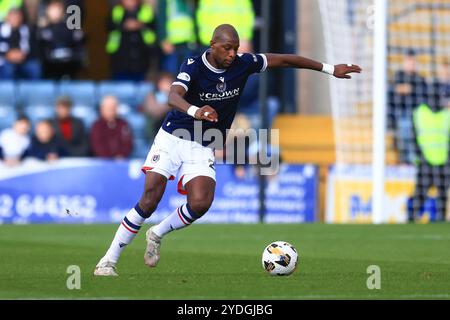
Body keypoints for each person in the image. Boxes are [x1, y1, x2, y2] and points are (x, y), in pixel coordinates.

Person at [94, 24, 361, 276]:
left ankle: (157, 233)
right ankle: (108, 260)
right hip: (174, 136)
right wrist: (196, 110)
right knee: (150, 199)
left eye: (235, 48)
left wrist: (329, 68)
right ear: (213, 46)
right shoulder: (194, 65)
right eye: (227, 49)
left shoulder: (243, 64)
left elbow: (285, 60)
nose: (233, 54)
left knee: (200, 203)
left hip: (203, 142)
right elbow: (172, 96)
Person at [410, 93, 450, 222]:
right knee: (420, 193)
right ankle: (412, 219)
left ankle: (440, 219)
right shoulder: (419, 113)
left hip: (443, 160)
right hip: (424, 159)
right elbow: (413, 136)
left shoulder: (446, 114)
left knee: (441, 193)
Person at [388, 49, 428, 164]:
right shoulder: (398, 75)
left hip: (418, 115)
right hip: (402, 113)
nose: (412, 64)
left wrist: (408, 89)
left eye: (413, 62)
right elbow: (395, 90)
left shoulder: (420, 78)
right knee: (405, 127)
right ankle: (406, 161)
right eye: (409, 61)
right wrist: (409, 89)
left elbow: (422, 95)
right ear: (405, 62)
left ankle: (413, 161)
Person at [106, 0, 158, 81]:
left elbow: (154, 26)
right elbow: (109, 25)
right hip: (120, 57)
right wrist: (124, 25)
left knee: (140, 85)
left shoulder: (146, 10)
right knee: (120, 84)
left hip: (142, 56)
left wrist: (140, 24)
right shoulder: (116, 11)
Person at [37, 0, 86, 79]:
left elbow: (79, 49)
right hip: (50, 68)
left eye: (58, 9)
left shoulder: (71, 29)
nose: (55, 12)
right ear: (47, 11)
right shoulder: (43, 31)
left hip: (69, 67)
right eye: (52, 9)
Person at [0, 8, 41, 79]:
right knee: (8, 68)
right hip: (4, 61)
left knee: (35, 66)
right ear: (7, 17)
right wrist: (7, 54)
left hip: (24, 60)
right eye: (13, 17)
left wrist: (23, 55)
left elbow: (33, 48)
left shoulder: (28, 29)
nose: (15, 19)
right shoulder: (1, 29)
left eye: (17, 17)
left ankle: (35, 89)